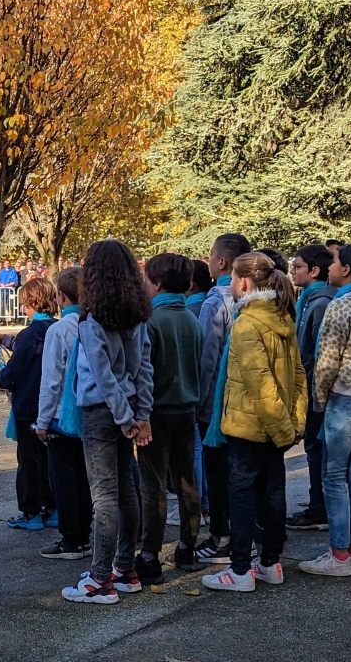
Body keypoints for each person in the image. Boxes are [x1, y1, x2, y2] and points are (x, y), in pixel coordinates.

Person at [201, 252, 305, 592]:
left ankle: (241, 569)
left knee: (243, 495)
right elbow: (298, 376)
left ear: (244, 282)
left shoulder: (248, 322)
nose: (231, 283)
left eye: (233, 277)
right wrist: (292, 424)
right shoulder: (281, 316)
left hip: (250, 426)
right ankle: (270, 563)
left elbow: (260, 384)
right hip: (276, 424)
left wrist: (284, 429)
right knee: (272, 492)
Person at [60, 240, 153, 605]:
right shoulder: (138, 317)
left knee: (105, 497)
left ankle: (100, 578)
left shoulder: (91, 322)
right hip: (126, 408)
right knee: (127, 491)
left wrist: (129, 418)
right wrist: (139, 415)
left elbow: (102, 377)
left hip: (102, 412)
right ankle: (124, 569)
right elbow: (144, 370)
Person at [299, 245, 351, 577]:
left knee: (334, 477)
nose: (330, 266)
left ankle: (339, 554)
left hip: (345, 397)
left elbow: (326, 361)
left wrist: (318, 400)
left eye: (334, 261)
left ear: (346, 269)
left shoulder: (340, 304)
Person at [139, 253, 205, 583]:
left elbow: (143, 371)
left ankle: (149, 555)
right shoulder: (191, 319)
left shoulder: (151, 321)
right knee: (186, 481)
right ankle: (187, 548)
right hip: (187, 409)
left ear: (157, 282)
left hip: (156, 412)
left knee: (153, 484)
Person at [196, 233, 252, 565]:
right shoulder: (260, 299)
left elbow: (207, 357)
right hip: (246, 399)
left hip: (217, 402)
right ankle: (246, 534)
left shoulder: (215, 302)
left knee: (218, 473)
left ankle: (222, 536)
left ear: (221, 262)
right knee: (242, 472)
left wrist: (200, 401)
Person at [34, 267, 93, 561]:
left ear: (60, 297)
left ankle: (71, 538)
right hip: (90, 413)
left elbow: (51, 381)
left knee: (64, 480)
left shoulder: (58, 331)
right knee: (84, 478)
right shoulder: (94, 325)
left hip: (61, 416)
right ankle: (84, 535)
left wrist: (42, 422)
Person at [0, 278, 60, 530]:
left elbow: (14, 369)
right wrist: (4, 339)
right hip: (55, 407)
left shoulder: (29, 334)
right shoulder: (58, 329)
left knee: (29, 461)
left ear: (30, 303)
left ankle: (31, 512)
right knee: (53, 460)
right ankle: (54, 508)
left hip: (28, 405)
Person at [286, 244, 338, 531]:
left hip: (315, 387)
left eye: (298, 267)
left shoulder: (320, 303)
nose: (293, 272)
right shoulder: (309, 299)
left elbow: (314, 353)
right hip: (310, 385)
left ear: (314, 271)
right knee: (315, 447)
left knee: (317, 448)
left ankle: (320, 507)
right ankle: (319, 503)